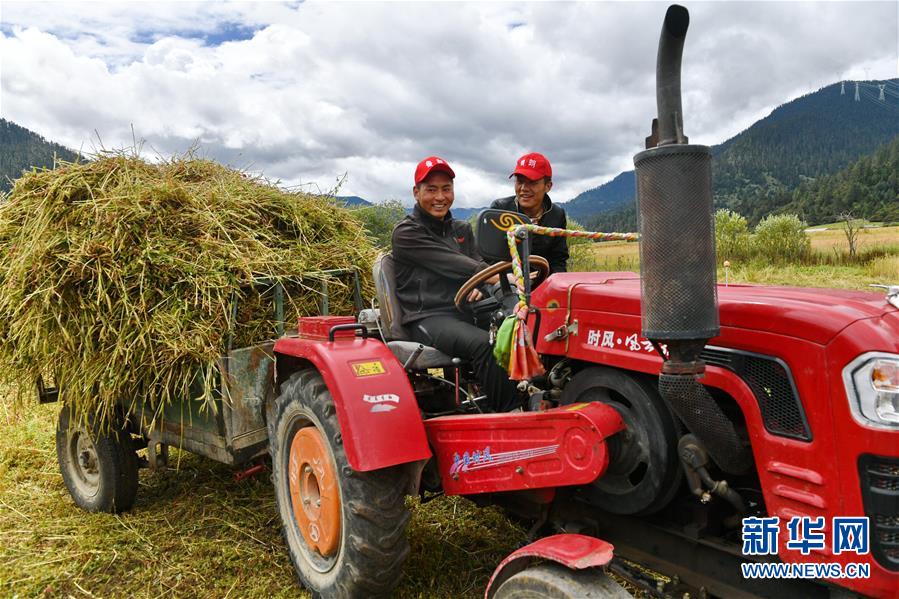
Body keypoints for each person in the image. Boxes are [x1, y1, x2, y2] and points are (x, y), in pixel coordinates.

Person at [391, 156, 519, 412]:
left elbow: (474, 264)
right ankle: (510, 414)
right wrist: (496, 275)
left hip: (463, 311)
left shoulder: (461, 229)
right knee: (485, 344)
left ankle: (540, 395)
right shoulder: (406, 233)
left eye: (446, 189)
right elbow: (452, 263)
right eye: (431, 189)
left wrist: (481, 286)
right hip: (427, 316)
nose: (440, 197)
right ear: (416, 193)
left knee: (520, 326)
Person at [490, 152, 569, 274]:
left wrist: (549, 282)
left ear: (548, 186)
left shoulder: (557, 215)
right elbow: (489, 257)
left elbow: (558, 259)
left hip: (543, 282)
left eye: (532, 182)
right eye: (519, 181)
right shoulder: (500, 210)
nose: (523, 188)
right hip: (506, 284)